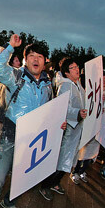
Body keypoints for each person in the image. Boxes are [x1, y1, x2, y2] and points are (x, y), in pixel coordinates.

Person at [0, 34, 58, 208]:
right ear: (25, 59)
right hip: (10, 135)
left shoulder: (48, 85)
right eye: (31, 55)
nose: (35, 59)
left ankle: (8, 202)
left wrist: (59, 122)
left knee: (24, 177)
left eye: (40, 56)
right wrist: (10, 47)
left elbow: (50, 110)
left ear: (45, 61)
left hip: (33, 140)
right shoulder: (16, 76)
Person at [39, 58, 86, 200]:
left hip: (76, 129)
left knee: (67, 161)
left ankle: (55, 183)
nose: (77, 69)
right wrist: (77, 113)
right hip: (67, 129)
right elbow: (63, 106)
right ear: (66, 72)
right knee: (60, 160)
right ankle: (45, 186)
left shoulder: (77, 85)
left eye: (77, 66)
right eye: (72, 67)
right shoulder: (65, 86)